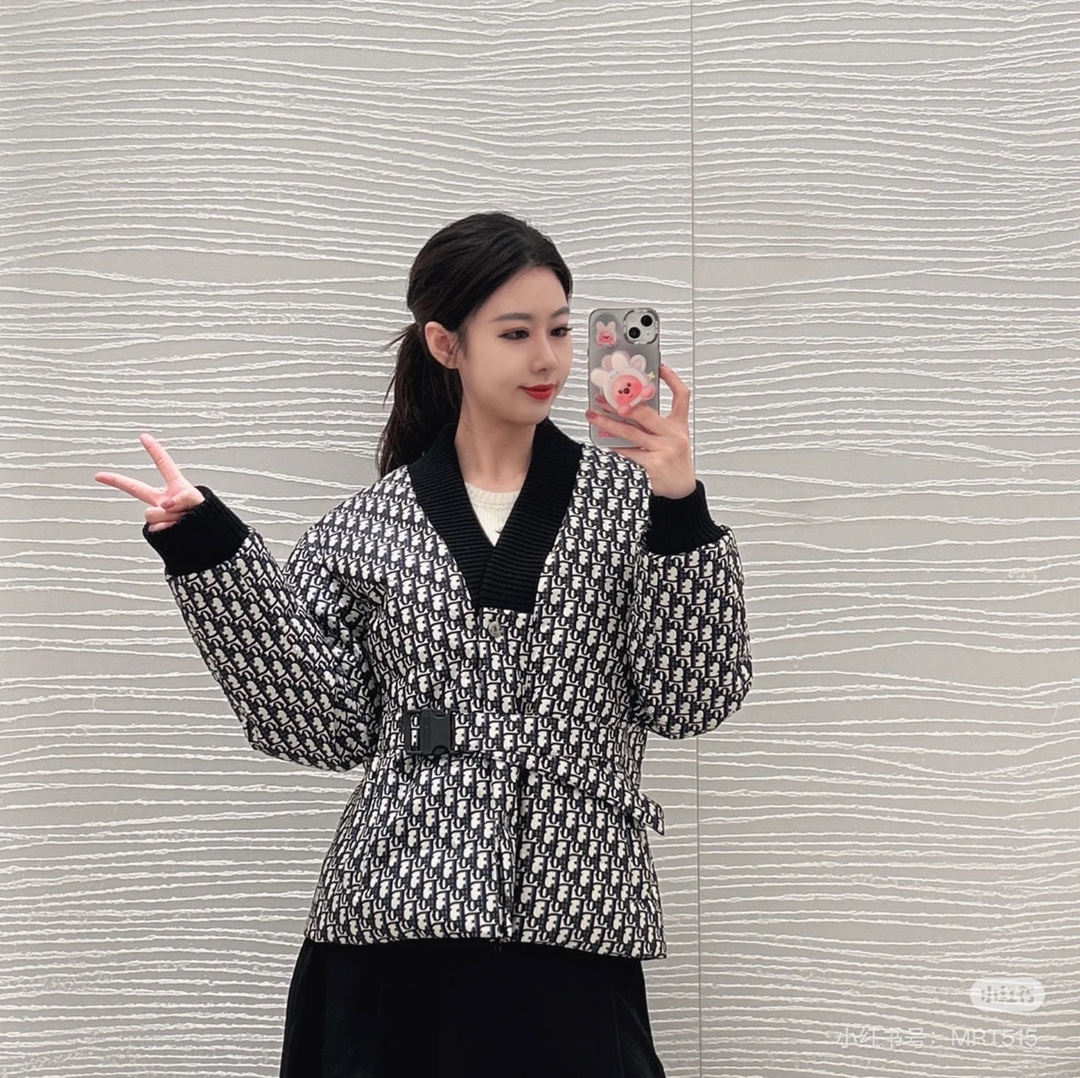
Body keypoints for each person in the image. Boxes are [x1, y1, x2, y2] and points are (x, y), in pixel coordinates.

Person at [94, 211, 753, 1077]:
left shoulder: (637, 507)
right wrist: (206, 548)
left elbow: (690, 700)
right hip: (392, 921)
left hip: (579, 914)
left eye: (560, 330)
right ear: (447, 345)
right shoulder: (368, 526)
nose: (548, 360)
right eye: (514, 333)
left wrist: (680, 508)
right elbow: (322, 727)